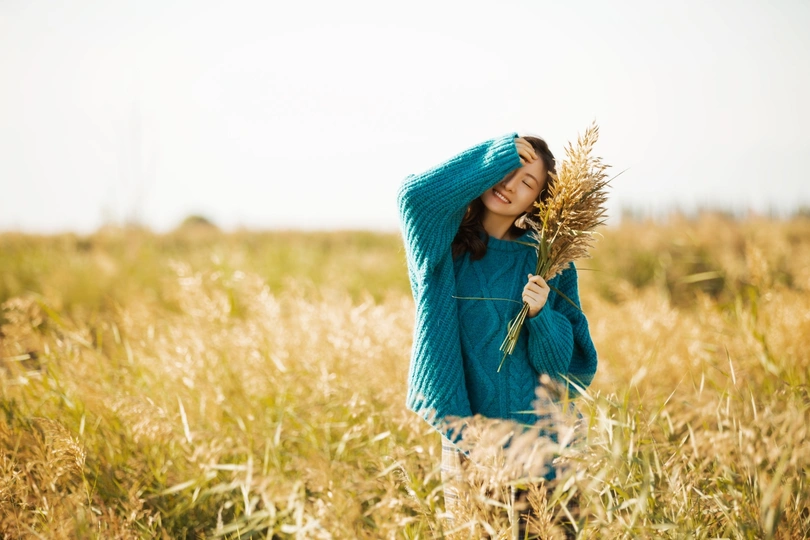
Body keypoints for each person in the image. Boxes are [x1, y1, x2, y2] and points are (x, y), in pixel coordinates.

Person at [396, 133, 598, 536]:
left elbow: (565, 369)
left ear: (538, 201)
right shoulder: (442, 250)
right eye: (506, 173)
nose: (509, 186)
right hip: (473, 449)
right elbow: (413, 198)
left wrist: (541, 316)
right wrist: (497, 152)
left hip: (546, 454)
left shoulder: (548, 259)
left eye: (527, 183)